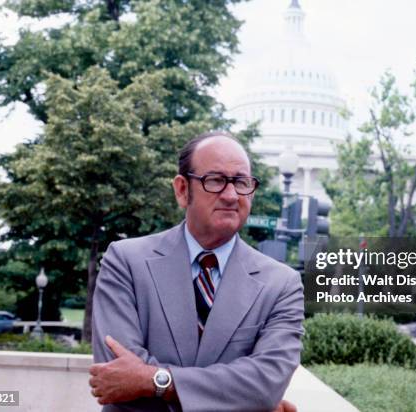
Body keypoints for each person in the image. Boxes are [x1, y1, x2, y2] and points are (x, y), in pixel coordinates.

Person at [88, 131, 304, 412]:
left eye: (241, 182)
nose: (230, 195)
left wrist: (155, 380)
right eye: (214, 180)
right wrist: (232, 398)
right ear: (181, 189)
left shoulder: (281, 284)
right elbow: (116, 375)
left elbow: (264, 386)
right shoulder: (126, 261)